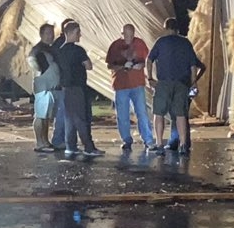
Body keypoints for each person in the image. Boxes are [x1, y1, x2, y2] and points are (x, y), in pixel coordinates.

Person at [149, 17, 202, 155]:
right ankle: (183, 145)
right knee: (180, 115)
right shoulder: (185, 43)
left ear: (166, 28)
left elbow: (149, 59)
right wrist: (193, 82)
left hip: (164, 83)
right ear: (177, 28)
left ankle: (159, 144)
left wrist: (150, 77)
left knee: (159, 113)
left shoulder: (161, 42)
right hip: (181, 84)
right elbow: (193, 65)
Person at [52, 19, 100, 158]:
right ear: (72, 32)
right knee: (80, 118)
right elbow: (89, 66)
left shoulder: (60, 51)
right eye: (78, 32)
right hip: (77, 87)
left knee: (69, 118)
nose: (80, 35)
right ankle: (88, 147)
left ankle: (71, 146)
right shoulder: (78, 50)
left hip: (66, 88)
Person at [106, 22, 155, 152]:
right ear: (121, 34)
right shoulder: (115, 46)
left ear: (134, 33)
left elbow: (147, 59)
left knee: (142, 112)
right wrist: (122, 67)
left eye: (130, 35)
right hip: (120, 85)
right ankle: (126, 140)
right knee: (122, 114)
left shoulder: (140, 44)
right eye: (126, 35)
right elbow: (109, 65)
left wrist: (141, 65)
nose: (128, 37)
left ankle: (148, 139)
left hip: (137, 84)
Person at [30, 22, 60, 153]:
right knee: (40, 115)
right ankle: (39, 142)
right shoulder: (38, 50)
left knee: (46, 116)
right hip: (43, 86)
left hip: (50, 87)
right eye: (47, 33)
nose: (50, 36)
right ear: (41, 34)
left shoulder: (49, 48)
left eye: (52, 33)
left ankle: (45, 140)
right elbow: (37, 66)